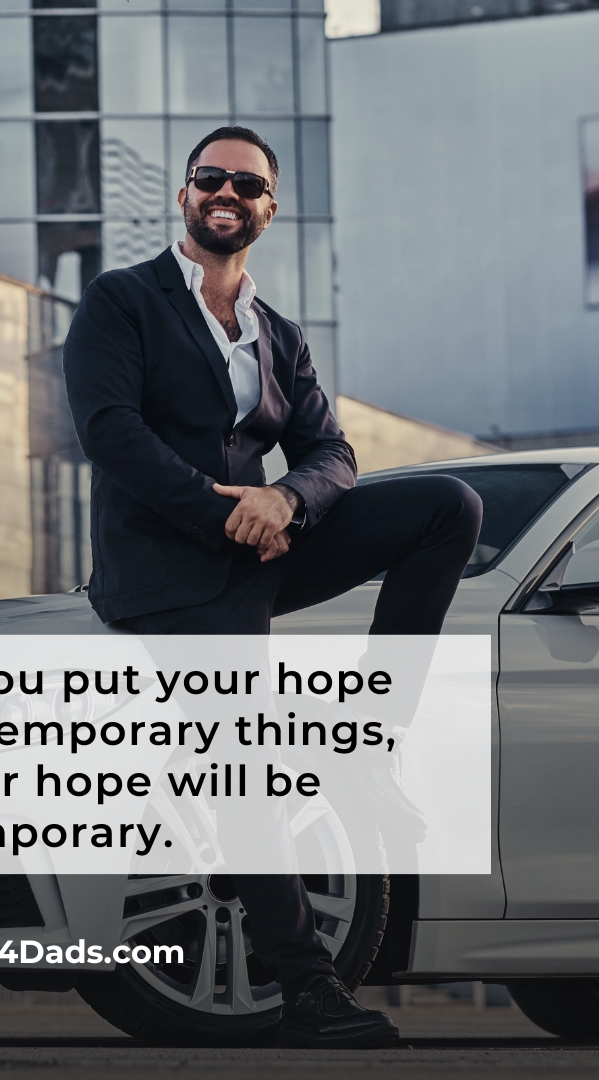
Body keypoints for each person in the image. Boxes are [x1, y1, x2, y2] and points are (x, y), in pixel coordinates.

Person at [62, 125, 482, 1049]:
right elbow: (112, 435)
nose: (226, 193)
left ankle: (371, 744)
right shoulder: (120, 301)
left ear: (268, 209)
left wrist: (286, 498)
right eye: (209, 177)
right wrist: (226, 512)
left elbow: (333, 451)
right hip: (168, 570)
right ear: (184, 197)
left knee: (447, 504)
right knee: (244, 759)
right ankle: (307, 988)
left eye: (245, 184)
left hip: (259, 546)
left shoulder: (275, 333)